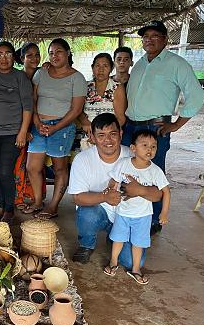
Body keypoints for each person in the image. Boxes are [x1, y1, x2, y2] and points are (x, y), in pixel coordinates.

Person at [123, 20, 204, 234]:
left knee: (153, 173)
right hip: (131, 127)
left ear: (165, 39)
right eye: (145, 37)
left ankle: (154, 220)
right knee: (129, 170)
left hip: (155, 128)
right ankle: (130, 215)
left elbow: (197, 96)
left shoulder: (176, 63)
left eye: (154, 36)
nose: (149, 40)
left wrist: (176, 124)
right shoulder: (140, 63)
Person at [68, 113, 163, 266]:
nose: (108, 140)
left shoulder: (135, 155)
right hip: (100, 211)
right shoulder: (82, 159)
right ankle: (86, 244)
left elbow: (158, 195)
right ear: (92, 137)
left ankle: (113, 238)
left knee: (132, 262)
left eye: (113, 134)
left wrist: (140, 190)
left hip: (129, 216)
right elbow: (77, 198)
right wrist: (104, 197)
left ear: (121, 134)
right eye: (101, 135)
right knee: (87, 214)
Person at [25, 38, 86, 219]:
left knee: (59, 168)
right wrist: (36, 122)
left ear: (68, 53)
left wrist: (56, 127)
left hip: (62, 127)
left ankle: (53, 206)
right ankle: (38, 201)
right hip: (39, 125)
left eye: (59, 51)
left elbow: (76, 110)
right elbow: (33, 99)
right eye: (51, 53)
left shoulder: (77, 78)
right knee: (32, 167)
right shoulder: (41, 73)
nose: (54, 56)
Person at [104, 129, 170, 285]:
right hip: (123, 212)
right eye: (145, 145)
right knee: (118, 239)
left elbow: (166, 191)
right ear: (133, 148)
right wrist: (110, 190)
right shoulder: (124, 164)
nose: (149, 149)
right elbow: (114, 180)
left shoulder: (155, 170)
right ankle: (113, 262)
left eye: (153, 146)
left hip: (143, 215)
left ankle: (135, 269)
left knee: (138, 243)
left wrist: (164, 213)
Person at [0, 41, 33, 223]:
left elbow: (28, 107)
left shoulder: (20, 77)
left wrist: (23, 132)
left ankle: (9, 208)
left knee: (5, 171)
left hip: (13, 133)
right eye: (0, 54)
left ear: (14, 57)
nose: (3, 58)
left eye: (8, 54)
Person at [14, 43, 42, 211]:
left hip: (38, 126)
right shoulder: (17, 77)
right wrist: (23, 130)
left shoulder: (43, 74)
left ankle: (33, 197)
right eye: (29, 55)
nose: (34, 58)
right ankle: (19, 197)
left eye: (37, 54)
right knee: (18, 163)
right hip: (20, 126)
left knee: (34, 166)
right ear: (22, 58)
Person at [78, 53, 126, 148]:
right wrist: (86, 124)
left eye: (105, 66)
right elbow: (77, 110)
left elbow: (121, 118)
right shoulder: (85, 86)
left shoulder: (117, 87)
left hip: (109, 136)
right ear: (92, 68)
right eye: (97, 66)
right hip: (88, 133)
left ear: (111, 68)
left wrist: (103, 134)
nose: (101, 69)